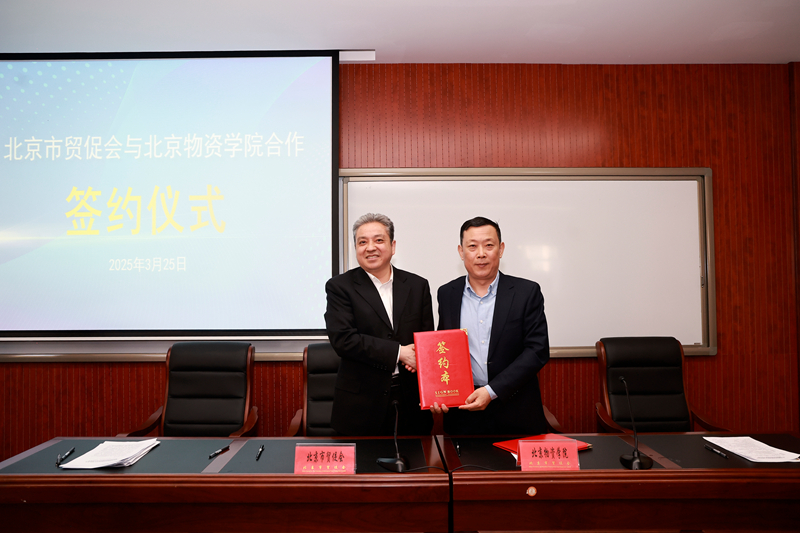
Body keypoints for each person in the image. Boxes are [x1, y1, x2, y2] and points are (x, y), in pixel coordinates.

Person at [432, 216, 550, 435]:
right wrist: (439, 392)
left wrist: (492, 390)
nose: (481, 254)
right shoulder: (447, 293)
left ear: (501, 249)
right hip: (464, 412)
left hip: (515, 410)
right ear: (461, 252)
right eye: (472, 246)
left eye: (488, 245)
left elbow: (537, 351)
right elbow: (444, 347)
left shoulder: (526, 292)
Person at [325, 213, 434, 436]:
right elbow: (344, 340)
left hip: (411, 402)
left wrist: (418, 357)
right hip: (361, 405)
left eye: (378, 240)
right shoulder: (340, 287)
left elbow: (426, 339)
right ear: (356, 248)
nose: (370, 247)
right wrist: (400, 353)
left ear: (393, 246)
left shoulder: (417, 285)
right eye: (362, 242)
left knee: (416, 457)